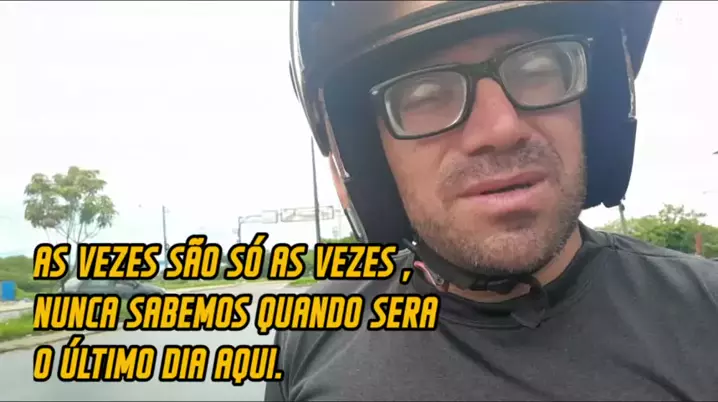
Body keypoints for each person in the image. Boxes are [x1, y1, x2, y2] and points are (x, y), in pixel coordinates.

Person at [267, 1, 718, 400]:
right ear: (369, 157)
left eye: (537, 71)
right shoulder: (312, 333)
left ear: (597, 107)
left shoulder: (705, 311)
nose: (501, 130)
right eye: (427, 95)